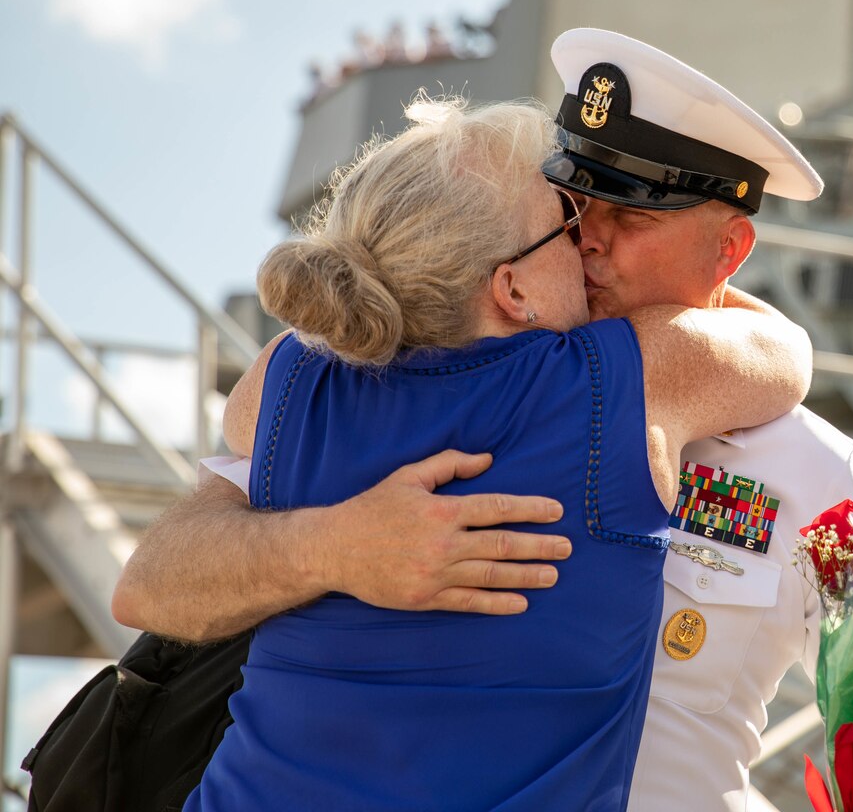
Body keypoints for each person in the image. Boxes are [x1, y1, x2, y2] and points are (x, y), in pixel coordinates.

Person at [114, 30, 853, 812]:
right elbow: (158, 578)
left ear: (729, 248)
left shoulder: (817, 469)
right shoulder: (409, 372)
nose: (588, 239)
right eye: (572, 205)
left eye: (628, 216)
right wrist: (337, 545)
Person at [177, 97, 812, 811]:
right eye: (567, 224)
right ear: (511, 286)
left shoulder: (287, 382)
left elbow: (150, 578)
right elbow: (786, 352)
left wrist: (328, 546)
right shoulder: (614, 384)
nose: (588, 246)